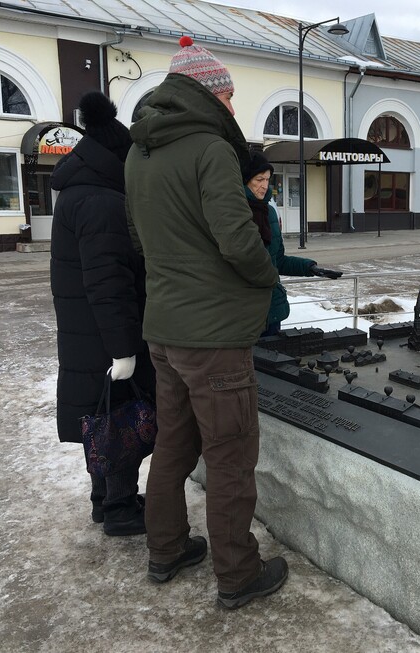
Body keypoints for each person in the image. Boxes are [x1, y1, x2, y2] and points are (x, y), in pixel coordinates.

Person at [125, 36, 287, 608]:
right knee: (231, 456)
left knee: (173, 445)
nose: (233, 108)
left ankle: (165, 550)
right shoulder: (210, 150)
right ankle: (239, 575)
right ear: (211, 94)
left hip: (164, 329)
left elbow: (140, 241)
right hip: (213, 338)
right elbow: (238, 238)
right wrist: (268, 276)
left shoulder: (138, 151)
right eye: (230, 96)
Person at [50, 91, 154, 537]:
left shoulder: (78, 192)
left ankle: (105, 499)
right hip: (104, 335)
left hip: (85, 332)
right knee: (119, 418)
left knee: (100, 415)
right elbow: (108, 281)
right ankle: (119, 508)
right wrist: (123, 349)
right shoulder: (102, 202)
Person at [242, 152, 343, 337]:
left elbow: (277, 261)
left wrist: (310, 268)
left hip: (272, 311)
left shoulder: (270, 213)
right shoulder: (233, 213)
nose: (265, 185)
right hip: (244, 315)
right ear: (246, 180)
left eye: (267, 179)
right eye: (259, 179)